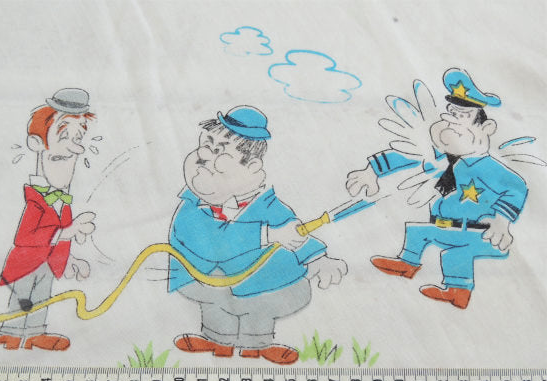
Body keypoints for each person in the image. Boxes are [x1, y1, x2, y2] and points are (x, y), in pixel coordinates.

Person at [169, 105, 348, 364]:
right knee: (216, 300)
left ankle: (256, 345)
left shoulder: (267, 204)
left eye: (220, 153)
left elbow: (294, 232)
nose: (205, 158)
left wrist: (318, 258)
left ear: (252, 167)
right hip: (204, 276)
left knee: (260, 302)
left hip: (257, 281)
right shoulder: (192, 206)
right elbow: (211, 241)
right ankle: (217, 340)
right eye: (206, 146)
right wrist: (267, 235)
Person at [346, 69, 528, 309]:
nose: (453, 122)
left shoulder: (487, 167)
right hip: (446, 227)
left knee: (455, 254)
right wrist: (371, 171)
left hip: (477, 233)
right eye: (452, 114)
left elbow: (517, 188)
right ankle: (408, 265)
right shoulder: (445, 158)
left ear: (486, 128)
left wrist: (501, 223)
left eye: (463, 116)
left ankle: (457, 291)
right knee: (417, 232)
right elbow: (407, 157)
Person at [0, 88, 97, 350]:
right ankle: (12, 333)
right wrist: (68, 231)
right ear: (37, 145)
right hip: (26, 263)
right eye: (60, 156)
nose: (67, 164)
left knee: (41, 298)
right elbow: (25, 237)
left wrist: (70, 260)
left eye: (71, 157)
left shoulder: (63, 203)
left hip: (48, 264)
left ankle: (35, 333)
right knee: (23, 298)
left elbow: (61, 237)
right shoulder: (35, 201)